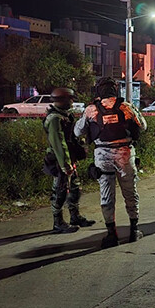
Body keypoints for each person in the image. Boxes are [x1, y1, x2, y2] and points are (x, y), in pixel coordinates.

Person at [74, 77, 147, 248]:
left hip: (102, 156)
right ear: (115, 89)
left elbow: (78, 132)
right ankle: (134, 230)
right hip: (125, 154)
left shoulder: (91, 110)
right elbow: (143, 126)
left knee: (106, 195)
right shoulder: (126, 107)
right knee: (130, 193)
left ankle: (111, 234)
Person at [42, 88, 95, 233]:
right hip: (60, 160)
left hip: (69, 158)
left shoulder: (65, 116)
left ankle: (74, 216)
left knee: (75, 188)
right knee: (60, 191)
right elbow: (59, 143)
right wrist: (65, 165)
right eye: (70, 99)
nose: (72, 102)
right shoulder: (55, 119)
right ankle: (58, 222)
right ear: (63, 100)